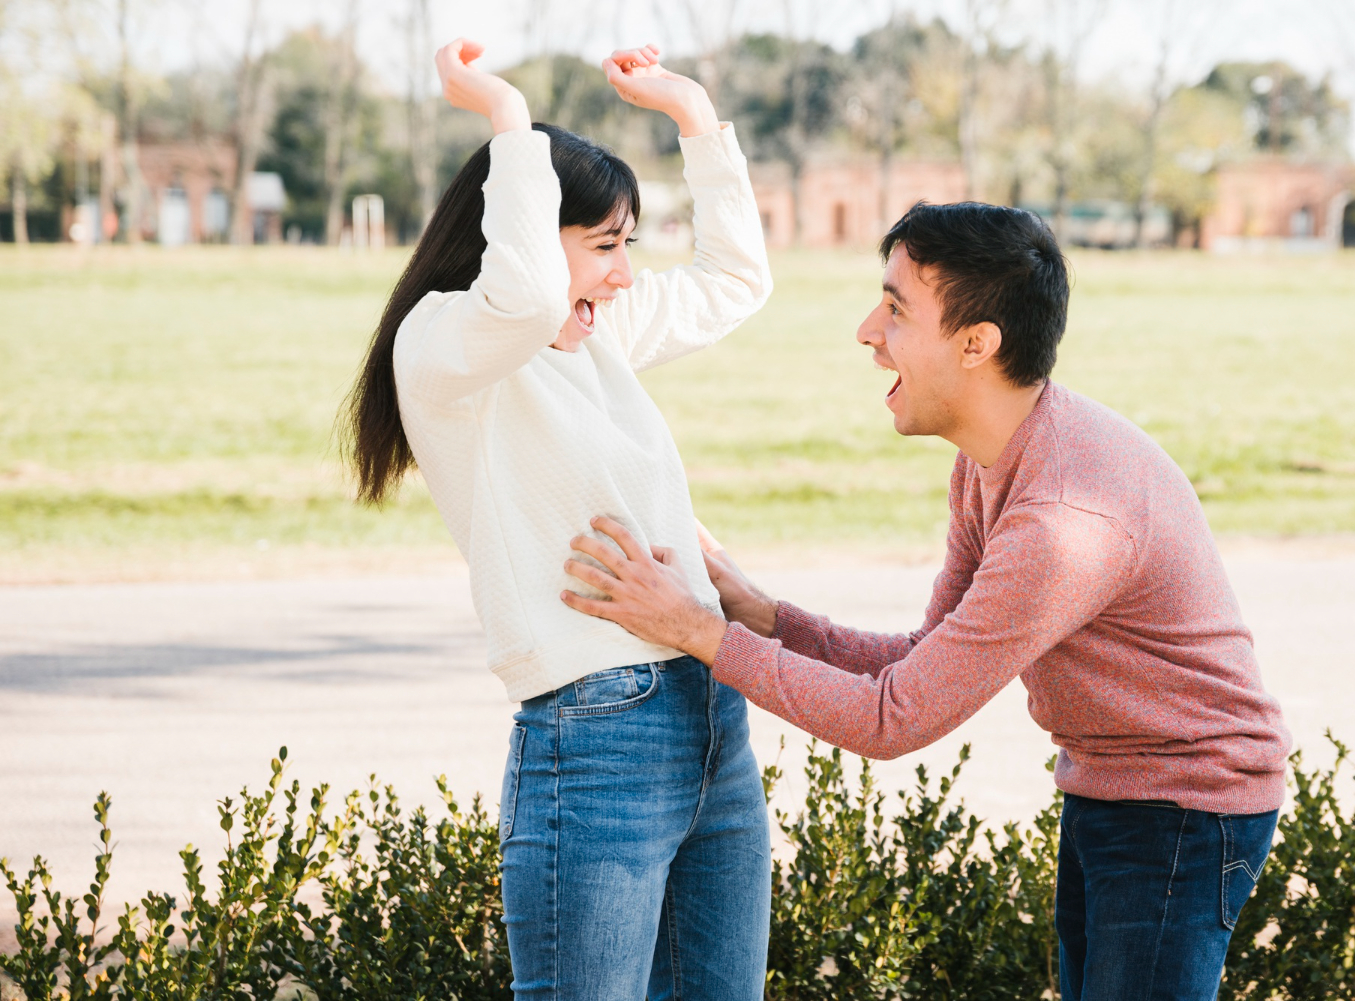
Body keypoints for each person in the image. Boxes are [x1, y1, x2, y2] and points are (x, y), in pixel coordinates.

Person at [559, 201, 1293, 1000]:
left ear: (978, 344)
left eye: (897, 308)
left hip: (1187, 809)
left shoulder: (1060, 522)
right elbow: (919, 660)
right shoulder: (995, 461)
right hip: (1114, 787)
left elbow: (893, 717)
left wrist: (698, 631)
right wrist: (762, 614)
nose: (868, 331)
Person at [341, 38, 773, 1001]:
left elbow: (736, 284)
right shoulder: (447, 348)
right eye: (606, 247)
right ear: (530, 232)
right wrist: (506, 119)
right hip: (596, 734)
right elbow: (531, 289)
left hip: (713, 714)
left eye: (629, 248)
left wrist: (695, 115)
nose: (624, 277)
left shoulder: (589, 335)